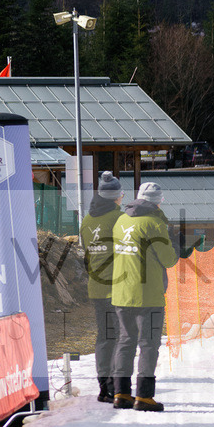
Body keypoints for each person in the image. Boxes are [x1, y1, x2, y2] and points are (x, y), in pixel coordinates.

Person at [111, 182, 180, 412]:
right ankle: (144, 397)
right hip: (148, 295)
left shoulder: (120, 221)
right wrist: (177, 244)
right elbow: (169, 259)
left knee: (125, 341)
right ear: (157, 201)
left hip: (121, 293)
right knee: (148, 345)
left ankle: (120, 393)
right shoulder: (155, 223)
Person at [79, 171, 123, 404]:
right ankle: (115, 388)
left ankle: (104, 387)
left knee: (105, 337)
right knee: (119, 338)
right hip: (117, 289)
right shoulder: (119, 219)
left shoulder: (87, 220)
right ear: (115, 196)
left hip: (96, 288)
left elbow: (87, 255)